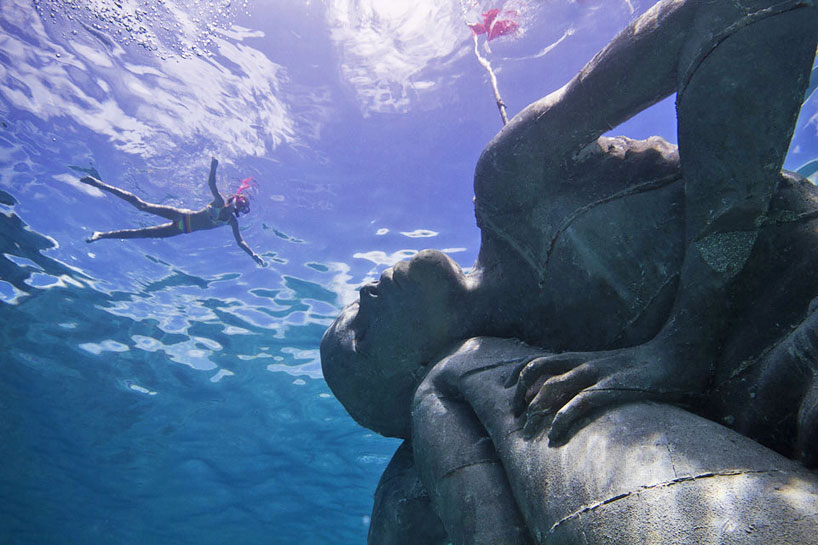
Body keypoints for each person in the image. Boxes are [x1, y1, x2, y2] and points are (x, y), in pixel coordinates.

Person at [321, 0, 818, 465]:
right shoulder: (553, 388)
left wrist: (687, 340)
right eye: (362, 335)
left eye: (352, 306)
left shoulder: (511, 185)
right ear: (416, 376)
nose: (364, 293)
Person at [81, 157, 266, 266]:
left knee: (144, 233)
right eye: (238, 202)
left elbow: (240, 241)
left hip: (182, 229)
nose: (237, 207)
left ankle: (102, 235)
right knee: (142, 206)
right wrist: (213, 168)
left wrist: (252, 254)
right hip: (182, 215)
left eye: (241, 207)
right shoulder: (219, 203)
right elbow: (212, 184)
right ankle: (99, 184)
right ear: (233, 200)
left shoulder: (231, 221)